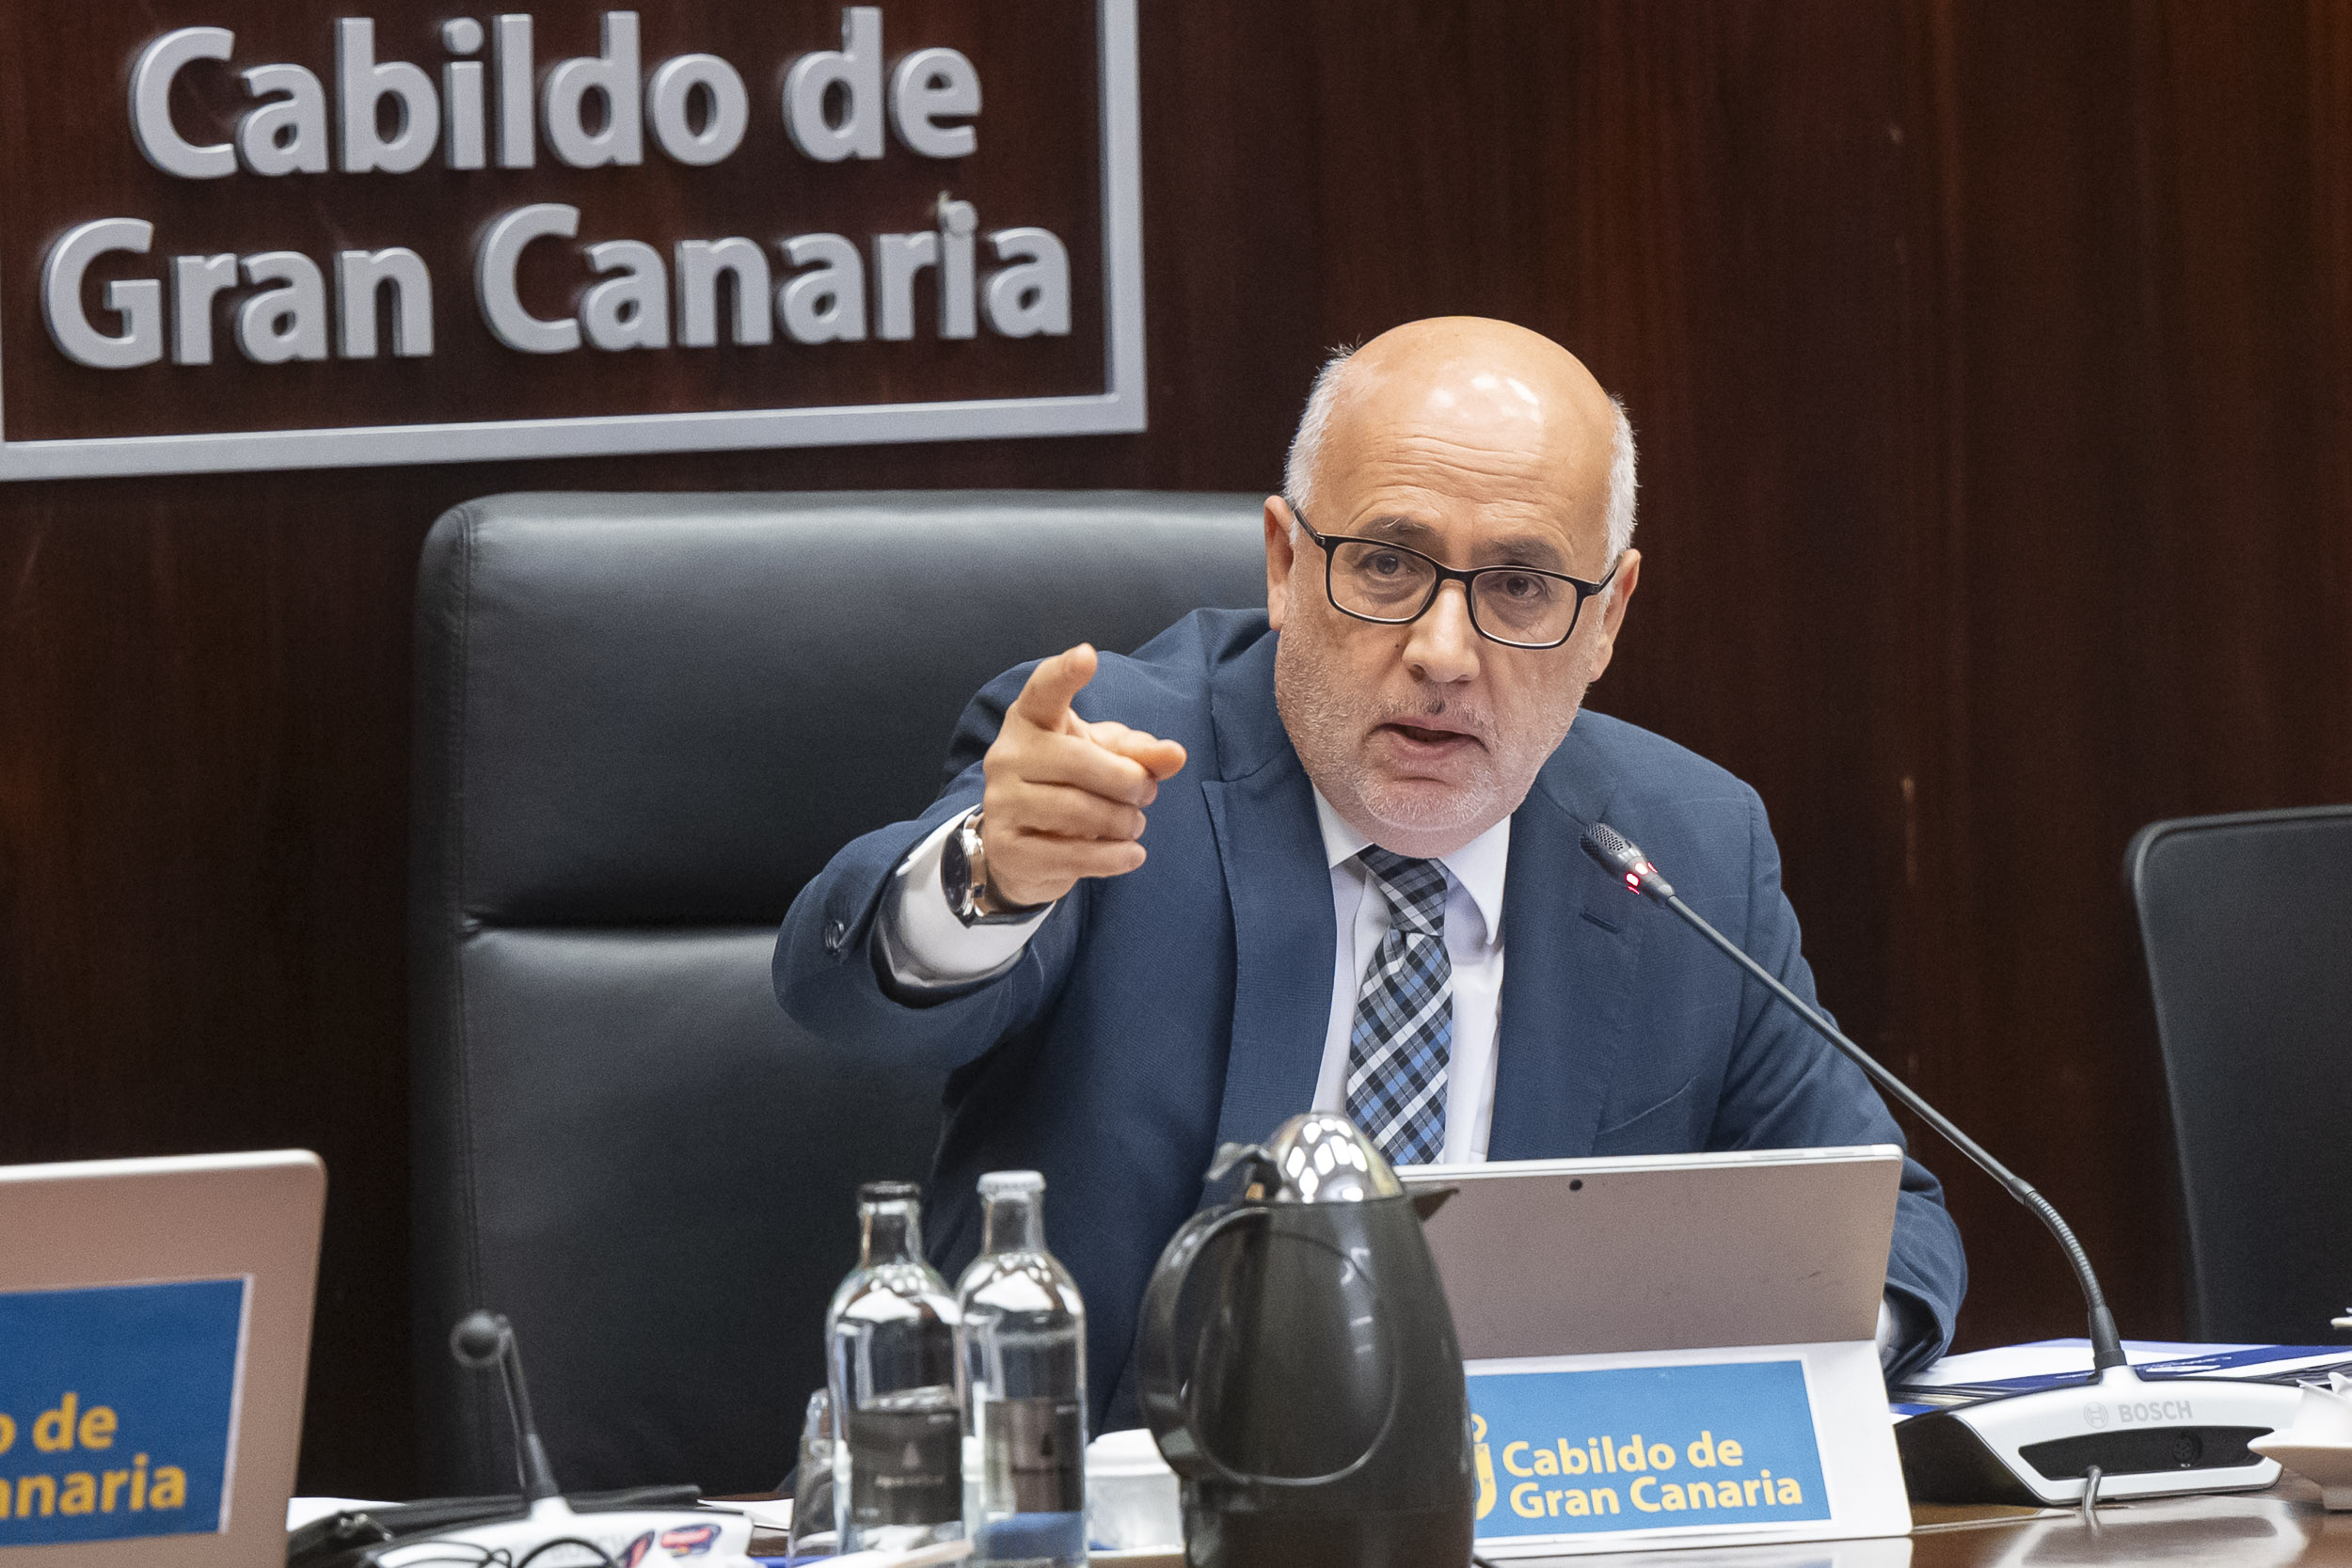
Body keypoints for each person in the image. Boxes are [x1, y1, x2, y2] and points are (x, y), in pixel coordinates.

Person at [775, 317, 1966, 1428]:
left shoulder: (1686, 845)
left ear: (1606, 617)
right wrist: (990, 873)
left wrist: (1711, 1377)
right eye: (1390, 563)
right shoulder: (1117, 763)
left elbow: (1888, 1234)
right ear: (1285, 561)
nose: (1444, 653)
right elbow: (841, 992)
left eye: (1520, 586)